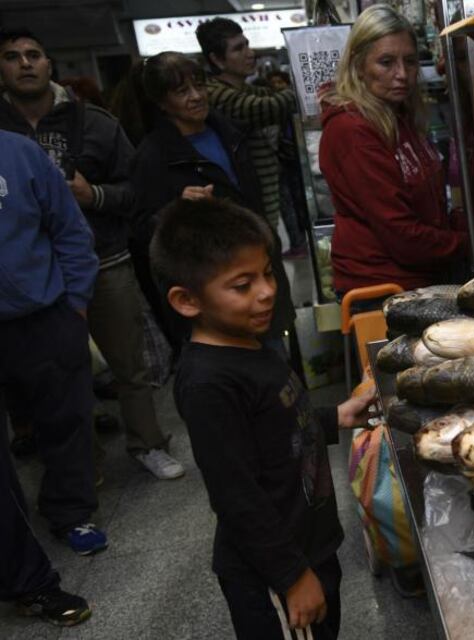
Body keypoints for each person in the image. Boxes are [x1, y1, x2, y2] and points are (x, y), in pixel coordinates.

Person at [150, 197, 374, 640]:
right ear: (187, 300)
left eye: (268, 273)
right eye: (242, 284)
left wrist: (336, 417)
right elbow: (236, 495)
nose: (267, 291)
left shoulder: (251, 345)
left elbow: (280, 424)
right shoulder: (208, 384)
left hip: (308, 543)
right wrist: (292, 577)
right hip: (274, 571)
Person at [0, 27, 184, 482]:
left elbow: (137, 193)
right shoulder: (2, 133)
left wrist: (94, 195)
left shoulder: (95, 123)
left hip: (104, 260)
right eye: (11, 56)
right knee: (57, 376)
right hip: (32, 277)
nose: (24, 63)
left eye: (33, 54)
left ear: (49, 65)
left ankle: (147, 443)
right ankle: (85, 465)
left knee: (128, 363)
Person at [129, 51, 295, 353]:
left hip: (256, 261)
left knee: (277, 359)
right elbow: (141, 230)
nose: (196, 97)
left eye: (199, 86)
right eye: (182, 91)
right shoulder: (153, 157)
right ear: (161, 101)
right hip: (216, 290)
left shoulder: (231, 132)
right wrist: (176, 209)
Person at [0, 128, 105, 570]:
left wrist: (75, 303)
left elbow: (69, 228)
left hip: (44, 313)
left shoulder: (18, 151)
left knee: (66, 417)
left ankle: (70, 512)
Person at [318, 4, 468, 296]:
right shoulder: (352, 130)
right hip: (384, 289)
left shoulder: (397, 114)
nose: (402, 74)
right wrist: (469, 241)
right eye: (386, 62)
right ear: (359, 65)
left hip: (421, 278)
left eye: (410, 61)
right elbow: (403, 236)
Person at [195, 18, 298, 236]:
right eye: (238, 49)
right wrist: (303, 82)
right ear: (217, 59)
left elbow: (271, 97)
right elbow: (267, 107)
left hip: (261, 204)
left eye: (247, 45)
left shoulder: (244, 89)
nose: (250, 53)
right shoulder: (215, 93)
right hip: (247, 206)